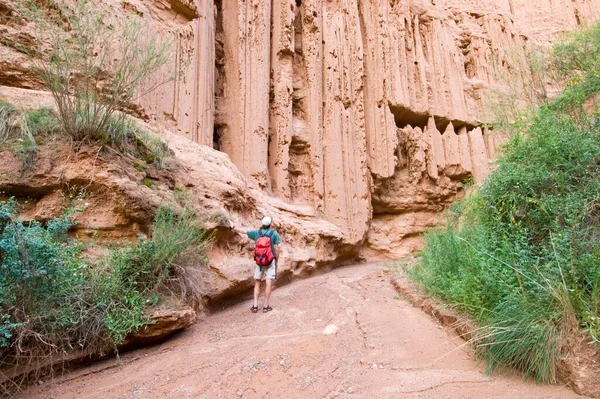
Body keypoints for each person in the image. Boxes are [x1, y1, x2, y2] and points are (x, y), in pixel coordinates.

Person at [233, 216, 281, 313]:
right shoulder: (274, 233)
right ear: (270, 224)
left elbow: (243, 232)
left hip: (259, 261)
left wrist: (233, 227)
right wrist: (276, 259)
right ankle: (266, 306)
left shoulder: (256, 233)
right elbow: (278, 247)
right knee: (268, 282)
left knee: (257, 282)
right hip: (270, 260)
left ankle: (255, 305)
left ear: (262, 224)